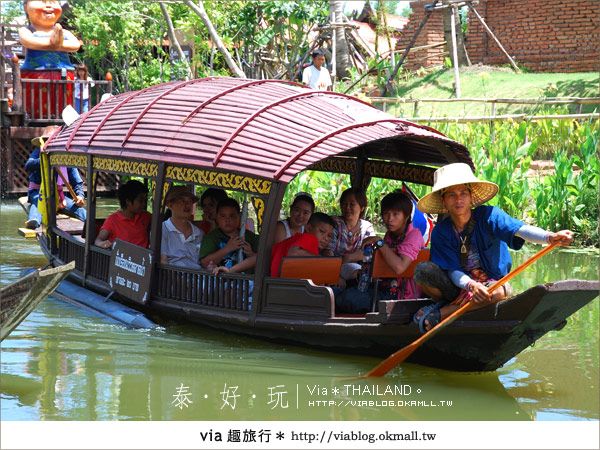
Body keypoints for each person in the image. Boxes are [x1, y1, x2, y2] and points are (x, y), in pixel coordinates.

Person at [413, 163, 574, 333]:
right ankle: (460, 303)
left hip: (492, 284)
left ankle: (443, 313)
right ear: (443, 200)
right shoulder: (441, 231)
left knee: (499, 292)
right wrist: (471, 286)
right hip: (458, 288)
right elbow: (452, 270)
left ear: (470, 196)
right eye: (451, 195)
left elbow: (519, 229)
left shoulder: (489, 216)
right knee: (423, 271)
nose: (458, 200)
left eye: (463, 193)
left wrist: (549, 237)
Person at [335, 192, 423, 314]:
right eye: (386, 214)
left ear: (406, 216)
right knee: (337, 292)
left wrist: (379, 242)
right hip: (381, 288)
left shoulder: (414, 236)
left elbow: (399, 267)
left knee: (347, 299)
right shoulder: (390, 236)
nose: (390, 219)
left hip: (401, 297)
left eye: (395, 214)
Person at [25, 131, 86, 229]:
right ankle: (35, 221)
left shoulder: (66, 156)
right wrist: (46, 159)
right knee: (37, 203)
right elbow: (28, 165)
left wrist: (80, 196)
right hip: (37, 193)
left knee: (80, 210)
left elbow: (77, 181)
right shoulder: (38, 151)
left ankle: (92, 224)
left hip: (58, 196)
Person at [328, 187, 376, 281]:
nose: (347, 208)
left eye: (352, 204)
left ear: (362, 207)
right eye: (344, 204)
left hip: (357, 271)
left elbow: (369, 253)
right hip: (332, 268)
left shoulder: (367, 227)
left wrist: (349, 257)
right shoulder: (334, 223)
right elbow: (328, 250)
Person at [199, 198, 259, 272]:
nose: (227, 220)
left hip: (246, 281)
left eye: (232, 216)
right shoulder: (211, 238)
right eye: (223, 216)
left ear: (239, 216)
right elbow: (204, 263)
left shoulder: (250, 237)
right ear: (217, 217)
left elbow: (262, 263)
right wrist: (228, 248)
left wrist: (250, 253)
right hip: (220, 280)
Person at [270, 212, 336, 277]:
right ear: (308, 228)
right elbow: (293, 253)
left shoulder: (304, 242)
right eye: (322, 231)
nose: (326, 238)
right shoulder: (309, 238)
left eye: (329, 236)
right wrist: (322, 262)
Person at [94, 180, 151, 249]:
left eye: (145, 200)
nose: (144, 204)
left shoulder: (146, 216)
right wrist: (103, 244)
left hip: (143, 258)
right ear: (128, 201)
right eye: (140, 201)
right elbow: (98, 240)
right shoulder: (112, 220)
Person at [160, 186, 204, 269]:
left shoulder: (199, 233)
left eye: (190, 201)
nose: (187, 205)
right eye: (182, 201)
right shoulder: (162, 230)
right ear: (170, 205)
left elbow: (202, 262)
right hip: (172, 277)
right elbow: (163, 261)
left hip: (197, 278)